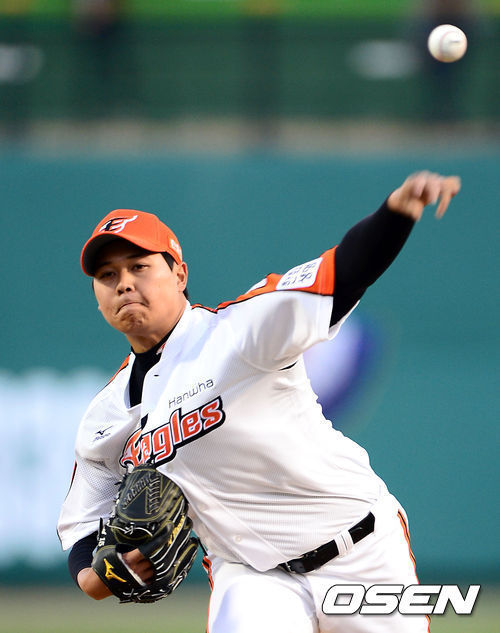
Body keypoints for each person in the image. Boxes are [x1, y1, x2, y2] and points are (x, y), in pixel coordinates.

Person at [57, 171, 460, 633]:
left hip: (359, 549)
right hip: (251, 576)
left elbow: (340, 274)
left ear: (179, 274)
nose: (124, 283)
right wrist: (103, 576)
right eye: (107, 275)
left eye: (139, 266)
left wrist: (398, 212)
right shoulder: (105, 417)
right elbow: (83, 533)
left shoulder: (237, 333)